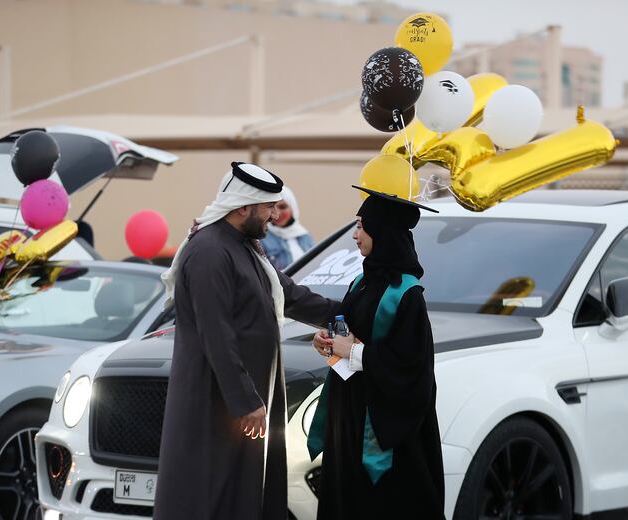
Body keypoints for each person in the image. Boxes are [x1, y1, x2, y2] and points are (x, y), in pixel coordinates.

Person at [153, 162, 340, 520]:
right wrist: (244, 402)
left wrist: (354, 311)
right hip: (215, 404)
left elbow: (293, 296)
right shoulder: (210, 250)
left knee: (243, 497)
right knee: (210, 498)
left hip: (242, 405)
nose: (274, 215)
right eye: (268, 207)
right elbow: (216, 333)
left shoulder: (244, 248)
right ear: (243, 207)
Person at [308, 186, 445, 520]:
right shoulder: (361, 283)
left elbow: (412, 369)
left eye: (361, 226)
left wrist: (354, 352)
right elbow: (349, 339)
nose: (355, 235)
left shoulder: (408, 294)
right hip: (349, 417)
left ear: (380, 231)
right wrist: (327, 343)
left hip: (384, 425)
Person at [261, 186, 314, 270]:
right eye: (272, 207)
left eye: (283, 207)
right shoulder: (262, 239)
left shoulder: (304, 235)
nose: (277, 213)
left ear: (293, 207)